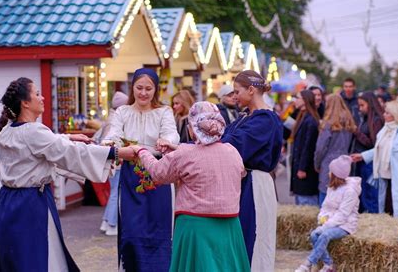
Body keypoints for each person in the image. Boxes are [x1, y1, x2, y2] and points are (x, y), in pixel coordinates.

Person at [0, 77, 134, 271]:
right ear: (25, 103)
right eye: (37, 94)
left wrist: (67, 136)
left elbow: (41, 145)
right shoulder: (34, 131)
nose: (42, 98)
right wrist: (114, 152)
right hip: (30, 205)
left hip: (8, 203)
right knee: (37, 257)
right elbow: (68, 152)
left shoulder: (7, 130)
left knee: (16, 257)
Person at [128, 102, 250, 271]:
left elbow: (158, 173)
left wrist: (142, 152)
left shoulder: (185, 154)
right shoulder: (232, 151)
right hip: (229, 225)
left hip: (195, 225)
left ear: (193, 128)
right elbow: (238, 171)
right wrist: (178, 150)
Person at [103, 68, 179, 272]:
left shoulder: (164, 112)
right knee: (132, 226)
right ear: (132, 88)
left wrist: (166, 141)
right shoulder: (123, 112)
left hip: (158, 175)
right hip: (131, 177)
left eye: (148, 88)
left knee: (159, 226)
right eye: (139, 88)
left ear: (155, 90)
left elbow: (172, 134)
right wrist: (110, 143)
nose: (143, 93)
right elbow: (114, 134)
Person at [220, 70, 283, 272]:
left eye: (237, 91)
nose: (235, 95)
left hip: (255, 184)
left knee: (254, 239)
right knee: (239, 238)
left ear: (251, 89)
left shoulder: (265, 120)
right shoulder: (247, 117)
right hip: (243, 183)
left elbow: (234, 143)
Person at [295, 155, 361, 272]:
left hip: (345, 225)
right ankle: (329, 264)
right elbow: (325, 207)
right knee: (314, 235)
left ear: (336, 174)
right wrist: (322, 217)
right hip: (331, 222)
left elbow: (342, 215)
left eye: (331, 171)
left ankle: (307, 264)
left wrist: (325, 227)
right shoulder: (332, 187)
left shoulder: (350, 192)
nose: (328, 172)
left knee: (325, 235)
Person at [351, 100, 398, 217]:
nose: (384, 115)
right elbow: (380, 148)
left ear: (396, 114)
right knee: (387, 209)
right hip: (385, 177)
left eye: (387, 113)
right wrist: (363, 156)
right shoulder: (385, 130)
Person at [94, 91, 129, 236]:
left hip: (110, 160)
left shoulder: (110, 119)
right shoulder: (117, 120)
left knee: (114, 191)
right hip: (116, 160)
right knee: (116, 192)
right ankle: (112, 224)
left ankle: (107, 221)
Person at [315, 94, 357, 206]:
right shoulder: (349, 123)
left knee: (326, 196)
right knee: (342, 197)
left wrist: (317, 164)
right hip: (345, 161)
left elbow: (320, 148)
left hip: (329, 163)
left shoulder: (328, 124)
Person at [353, 91, 384, 213]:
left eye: (362, 105)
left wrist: (357, 132)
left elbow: (373, 144)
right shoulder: (365, 119)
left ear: (370, 104)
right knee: (364, 194)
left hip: (370, 162)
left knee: (370, 196)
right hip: (363, 160)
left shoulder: (376, 120)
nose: (360, 109)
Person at [290, 89, 320, 206]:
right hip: (300, 168)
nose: (295, 101)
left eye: (298, 98)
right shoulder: (303, 117)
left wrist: (302, 168)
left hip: (306, 171)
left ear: (305, 100)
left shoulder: (311, 121)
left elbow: (308, 147)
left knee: (306, 203)